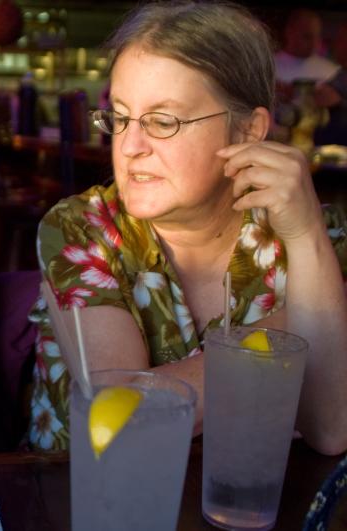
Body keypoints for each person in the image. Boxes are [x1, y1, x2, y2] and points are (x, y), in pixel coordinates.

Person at [28, 0, 347, 456]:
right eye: (120, 116)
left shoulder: (319, 238)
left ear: (247, 131)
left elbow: (331, 427)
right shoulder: (81, 229)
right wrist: (302, 325)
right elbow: (123, 416)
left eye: (162, 121)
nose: (130, 145)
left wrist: (305, 237)